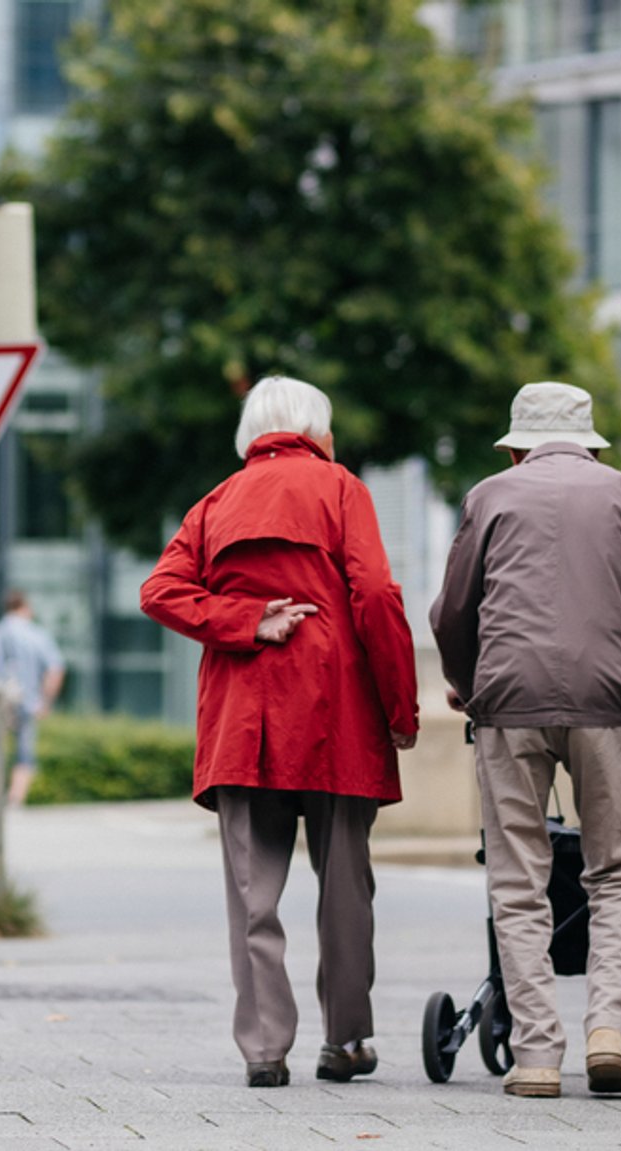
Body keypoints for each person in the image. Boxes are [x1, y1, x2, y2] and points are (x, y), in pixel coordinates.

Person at [430, 380, 621, 1100]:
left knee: (518, 876)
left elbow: (452, 611)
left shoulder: (490, 497)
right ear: (588, 442)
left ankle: (534, 1055)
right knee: (620, 869)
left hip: (509, 704)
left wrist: (467, 681)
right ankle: (607, 1032)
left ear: (517, 445)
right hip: (605, 701)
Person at [141, 375, 419, 1089]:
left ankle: (265, 1048)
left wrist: (245, 620)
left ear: (251, 434)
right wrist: (400, 706)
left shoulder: (215, 502)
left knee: (252, 892)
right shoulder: (339, 488)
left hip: (243, 719)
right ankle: (347, 1040)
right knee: (345, 889)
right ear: (317, 431)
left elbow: (161, 591)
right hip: (337, 715)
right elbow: (379, 595)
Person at [0, 589, 66, 806]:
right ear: (24, 607)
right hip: (25, 701)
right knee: (24, 754)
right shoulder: (36, 634)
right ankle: (15, 800)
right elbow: (55, 669)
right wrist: (46, 701)